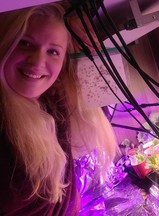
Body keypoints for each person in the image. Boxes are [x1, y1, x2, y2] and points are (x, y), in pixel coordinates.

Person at [0, 2, 118, 215]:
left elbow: (104, 99)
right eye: (25, 43)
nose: (37, 60)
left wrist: (81, 33)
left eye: (53, 51)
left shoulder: (52, 100)